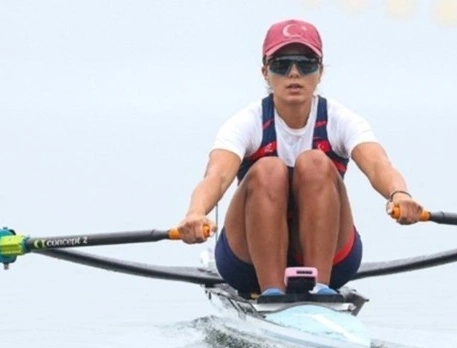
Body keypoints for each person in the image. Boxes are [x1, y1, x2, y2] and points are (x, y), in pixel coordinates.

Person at [177, 18, 423, 298]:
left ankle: (320, 288)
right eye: (281, 64)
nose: (294, 73)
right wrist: (195, 213)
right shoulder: (246, 122)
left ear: (320, 72)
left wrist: (399, 194)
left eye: (305, 64)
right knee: (269, 169)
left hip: (333, 262)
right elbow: (217, 176)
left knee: (314, 163)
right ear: (265, 72)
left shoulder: (341, 120)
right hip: (248, 266)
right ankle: (272, 291)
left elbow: (378, 165)